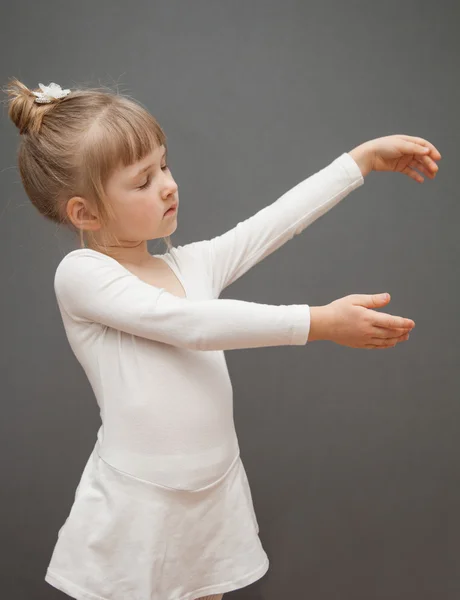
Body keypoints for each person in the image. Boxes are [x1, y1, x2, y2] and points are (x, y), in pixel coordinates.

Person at [5, 79, 440, 600]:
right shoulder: (82, 276)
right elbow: (191, 325)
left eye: (164, 165)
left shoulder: (192, 265)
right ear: (86, 213)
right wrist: (317, 322)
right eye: (142, 181)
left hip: (212, 494)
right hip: (138, 504)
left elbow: (272, 224)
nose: (167, 185)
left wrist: (360, 161)